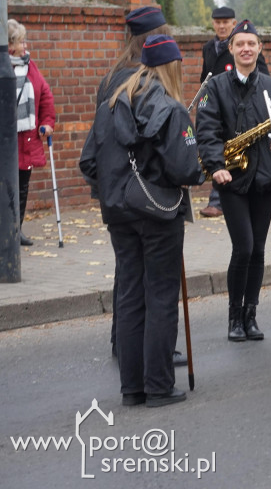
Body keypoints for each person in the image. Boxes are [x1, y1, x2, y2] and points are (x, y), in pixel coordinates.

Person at [79, 35, 205, 407]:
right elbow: (185, 168)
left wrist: (115, 187)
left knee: (130, 295)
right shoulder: (171, 107)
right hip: (159, 211)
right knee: (161, 295)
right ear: (171, 68)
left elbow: (88, 162)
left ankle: (132, 388)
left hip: (119, 211)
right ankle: (159, 385)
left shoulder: (111, 103)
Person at [93, 7, 186, 367]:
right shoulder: (146, 80)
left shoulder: (113, 76)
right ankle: (153, 352)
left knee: (129, 278)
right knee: (155, 285)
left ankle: (127, 347)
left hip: (116, 191)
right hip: (149, 193)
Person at [196, 20, 271, 342]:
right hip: (232, 179)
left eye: (251, 43)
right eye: (240, 44)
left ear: (259, 48)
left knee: (259, 250)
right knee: (244, 247)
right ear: (231, 49)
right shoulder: (215, 86)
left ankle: (251, 315)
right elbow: (206, 131)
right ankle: (234, 317)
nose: (246, 49)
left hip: (264, 178)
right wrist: (215, 165)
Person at [198, 6, 269, 218]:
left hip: (239, 111)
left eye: (226, 22)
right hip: (217, 105)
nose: (221, 26)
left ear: (232, 23)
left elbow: (261, 79)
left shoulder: (244, 48)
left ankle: (218, 201)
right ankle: (217, 199)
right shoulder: (208, 48)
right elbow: (205, 76)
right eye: (217, 22)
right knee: (216, 149)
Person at [8, 19, 55, 247]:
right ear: (9, 45)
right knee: (6, 187)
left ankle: (17, 229)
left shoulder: (30, 66)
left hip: (26, 139)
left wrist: (47, 122)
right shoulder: (3, 67)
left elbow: (45, 95)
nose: (25, 45)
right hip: (6, 141)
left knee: (22, 185)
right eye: (20, 41)